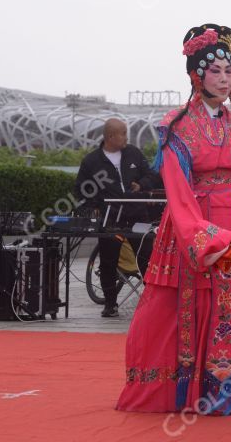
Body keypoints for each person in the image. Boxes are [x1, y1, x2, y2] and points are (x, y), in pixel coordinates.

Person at [116, 24, 231, 415]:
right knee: (180, 307)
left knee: (229, 308)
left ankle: (220, 393)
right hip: (193, 225)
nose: (224, 77)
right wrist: (201, 236)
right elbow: (178, 190)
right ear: (196, 76)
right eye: (215, 70)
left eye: (228, 71)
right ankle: (176, 391)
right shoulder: (177, 126)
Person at [75, 118, 160, 318]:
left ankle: (152, 302)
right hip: (111, 219)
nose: (126, 137)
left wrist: (142, 185)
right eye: (123, 133)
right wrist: (94, 206)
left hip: (138, 215)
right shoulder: (92, 161)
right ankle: (110, 304)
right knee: (108, 260)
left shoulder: (133, 153)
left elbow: (151, 175)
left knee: (147, 257)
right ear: (111, 136)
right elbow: (81, 189)